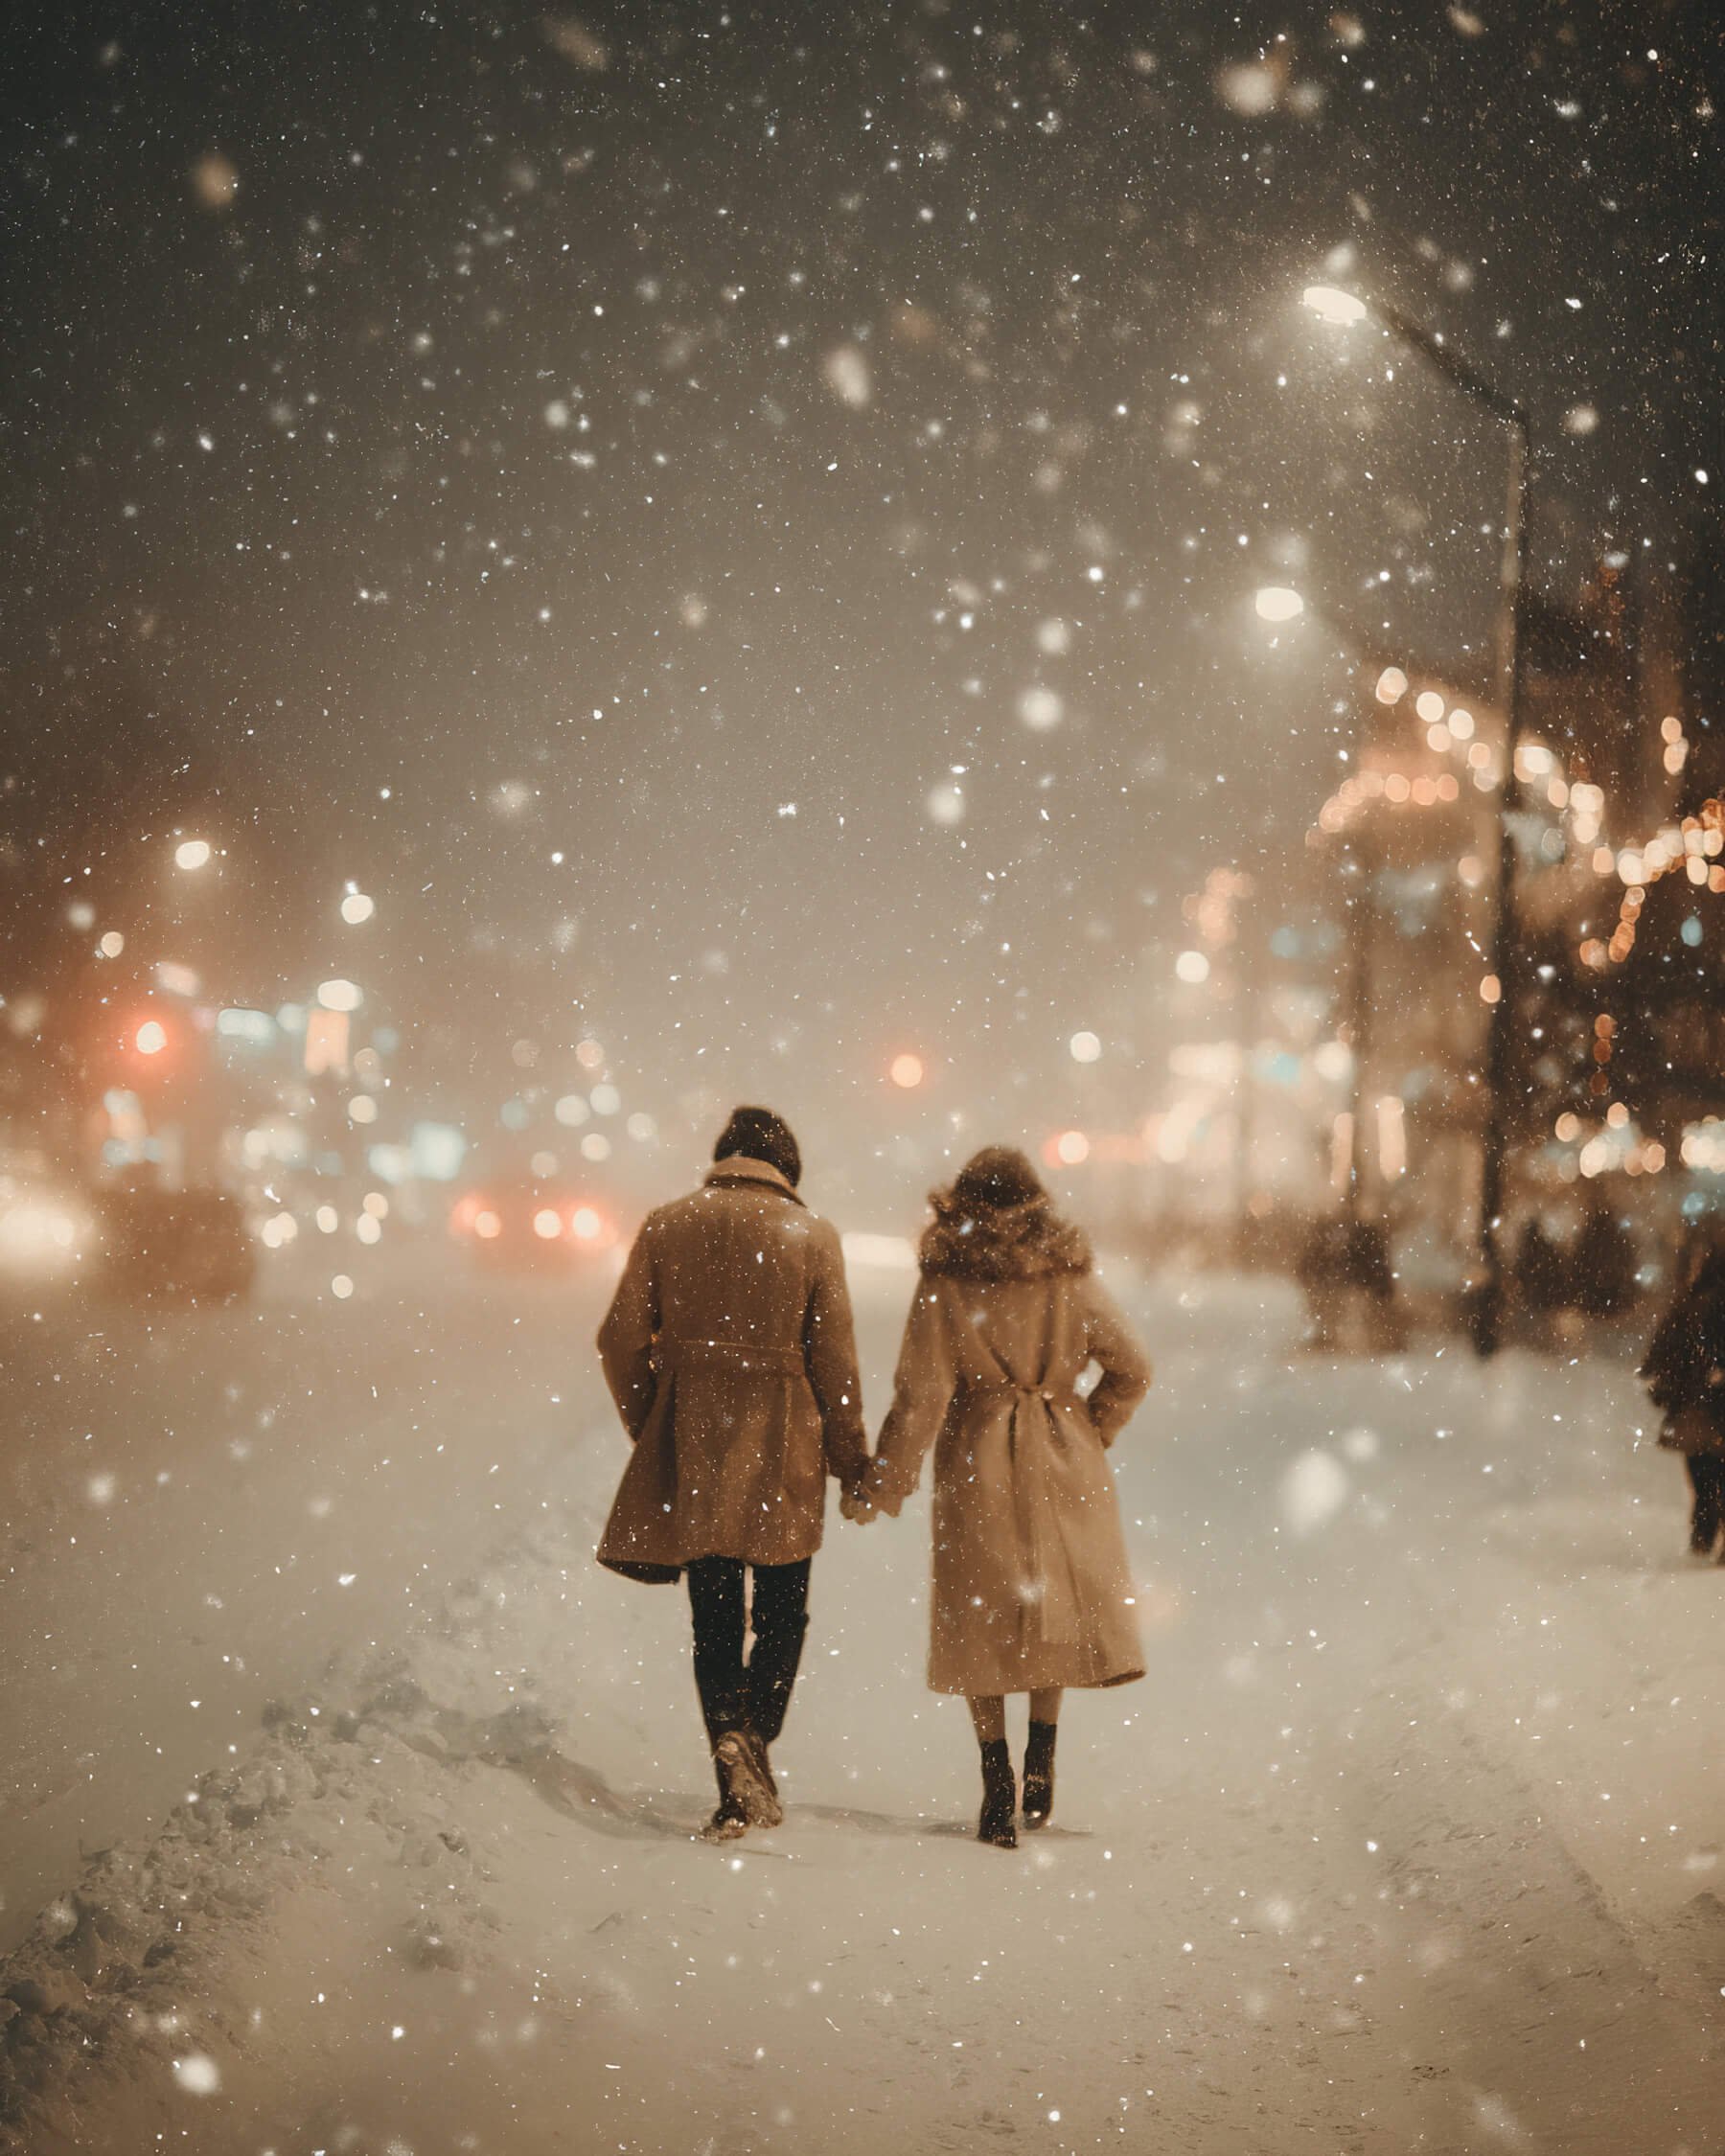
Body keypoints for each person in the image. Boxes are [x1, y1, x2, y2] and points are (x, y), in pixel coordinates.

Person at [846, 1147, 1153, 1849]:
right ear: (1038, 1202)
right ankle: (1042, 1753)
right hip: (1060, 1450)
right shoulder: (1069, 1276)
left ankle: (995, 1776)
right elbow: (1133, 1366)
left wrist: (883, 1482)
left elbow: (922, 1397)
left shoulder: (947, 1281)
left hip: (979, 1454)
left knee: (978, 1614)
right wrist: (1089, 1428)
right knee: (1050, 1607)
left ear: (960, 1204)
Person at [596, 1107, 869, 1840]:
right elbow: (835, 1365)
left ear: (723, 1159)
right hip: (785, 1448)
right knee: (783, 1613)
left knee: (712, 1622)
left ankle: (730, 1768)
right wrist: (850, 1459)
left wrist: (653, 1418)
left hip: (694, 1443)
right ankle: (754, 1737)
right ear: (788, 1169)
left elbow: (619, 1337)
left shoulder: (666, 1224)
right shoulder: (812, 1236)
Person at [1640, 1239, 1725, 1561]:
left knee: (1702, 1468)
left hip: (1695, 1405)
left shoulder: (1689, 1305)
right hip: (1714, 1402)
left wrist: (1666, 1385)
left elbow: (1661, 1354)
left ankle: (1704, 1526)